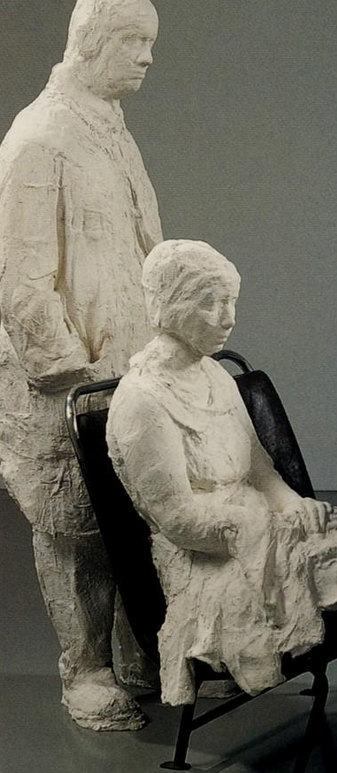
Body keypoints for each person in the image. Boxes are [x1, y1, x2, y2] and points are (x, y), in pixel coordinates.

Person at [106, 239, 337, 773]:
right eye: (210, 302)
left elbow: (260, 471)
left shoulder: (215, 378)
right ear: (171, 304)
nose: (227, 317)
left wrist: (292, 506)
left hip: (259, 529)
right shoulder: (140, 402)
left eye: (231, 302)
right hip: (209, 565)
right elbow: (177, 519)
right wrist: (258, 528)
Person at [0, 0, 163, 730]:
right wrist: (68, 371)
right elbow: (20, 279)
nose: (146, 57)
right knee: (73, 526)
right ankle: (86, 668)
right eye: (132, 41)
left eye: (149, 42)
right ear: (90, 43)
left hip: (125, 364)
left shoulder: (110, 130)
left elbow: (142, 242)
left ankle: (139, 651)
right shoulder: (40, 139)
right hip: (69, 379)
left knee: (130, 507)